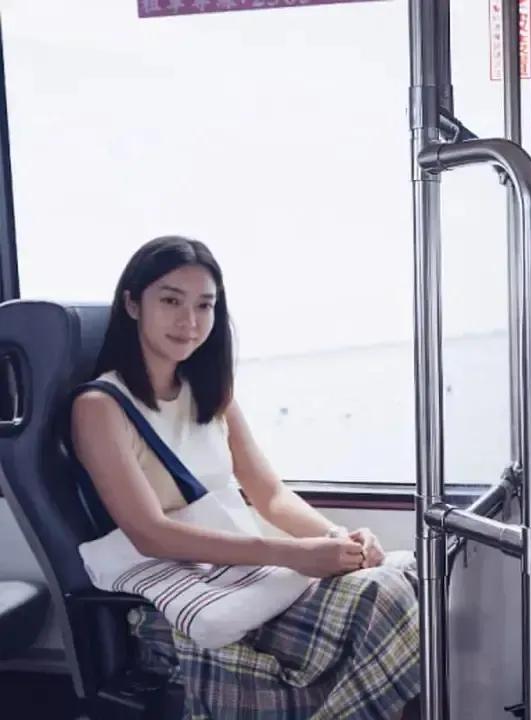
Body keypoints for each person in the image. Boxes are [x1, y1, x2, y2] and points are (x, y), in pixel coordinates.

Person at [70, 236, 420, 720]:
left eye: (204, 305)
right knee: (384, 598)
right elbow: (150, 534)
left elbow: (270, 496)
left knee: (408, 572)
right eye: (170, 301)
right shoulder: (100, 407)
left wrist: (339, 540)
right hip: (179, 594)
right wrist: (293, 554)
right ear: (132, 304)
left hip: (239, 571)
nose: (190, 321)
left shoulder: (212, 392)